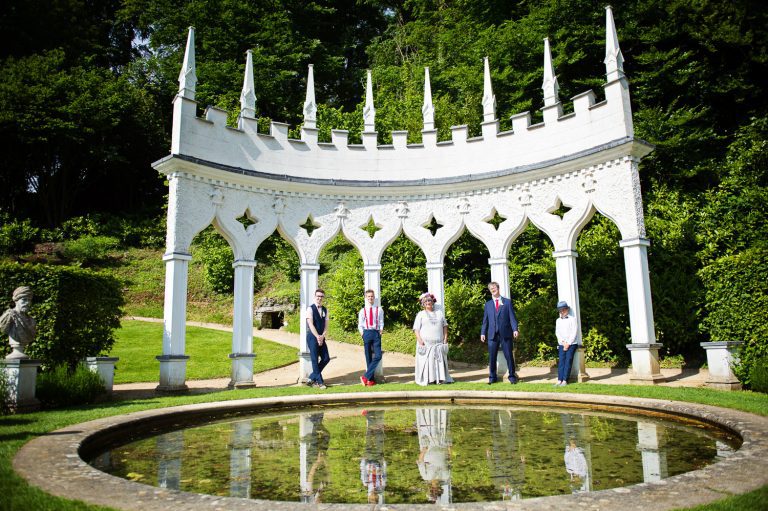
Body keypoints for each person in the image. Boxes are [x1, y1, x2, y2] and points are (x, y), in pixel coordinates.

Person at [480, 282, 519, 384]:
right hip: (492, 334)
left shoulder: (507, 302)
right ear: (490, 291)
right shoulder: (487, 304)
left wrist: (515, 329)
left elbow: (512, 317)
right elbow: (485, 320)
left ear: (498, 288)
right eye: (491, 288)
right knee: (492, 357)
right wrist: (483, 333)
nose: (493, 289)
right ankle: (492, 378)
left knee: (509, 356)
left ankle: (512, 376)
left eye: (494, 288)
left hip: (505, 333)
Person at [413, 292, 453, 386]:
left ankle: (440, 379)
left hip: (438, 343)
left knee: (438, 362)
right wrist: (420, 340)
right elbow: (416, 329)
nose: (428, 302)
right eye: (426, 301)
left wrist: (445, 338)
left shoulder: (439, 313)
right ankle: (429, 380)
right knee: (428, 363)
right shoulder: (420, 314)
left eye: (430, 301)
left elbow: (445, 326)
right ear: (423, 303)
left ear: (433, 302)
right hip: (426, 344)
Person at [0, 286, 36, 360]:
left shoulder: (31, 320)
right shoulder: (9, 316)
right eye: (24, 300)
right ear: (16, 300)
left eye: (29, 300)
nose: (27, 303)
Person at [359, 409, 387, 504]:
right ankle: (379, 414)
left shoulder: (366, 482)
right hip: (378, 458)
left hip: (369, 458)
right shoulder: (382, 485)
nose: (374, 496)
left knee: (369, 436)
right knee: (379, 436)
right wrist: (383, 461)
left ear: (369, 497)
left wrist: (363, 460)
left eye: (372, 498)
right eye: (375, 498)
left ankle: (368, 415)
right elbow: (384, 473)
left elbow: (363, 470)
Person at [358, 289, 384, 387]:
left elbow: (381, 321)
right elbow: (360, 324)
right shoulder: (362, 310)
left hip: (376, 333)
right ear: (366, 297)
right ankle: (370, 380)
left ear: (374, 297)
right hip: (367, 333)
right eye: (368, 296)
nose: (370, 298)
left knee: (378, 355)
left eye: (372, 296)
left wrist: (380, 330)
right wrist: (362, 334)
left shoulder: (379, 309)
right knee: (368, 357)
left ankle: (365, 377)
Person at [306, 289, 330, 389]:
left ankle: (311, 378)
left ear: (323, 297)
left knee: (326, 358)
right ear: (315, 296)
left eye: (321, 296)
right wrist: (317, 336)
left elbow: (326, 325)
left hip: (321, 336)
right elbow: (310, 324)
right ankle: (320, 382)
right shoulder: (310, 309)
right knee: (315, 360)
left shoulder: (325, 309)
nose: (319, 298)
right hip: (312, 337)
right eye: (318, 296)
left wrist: (322, 336)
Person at [555, 300, 579, 386]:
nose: (562, 311)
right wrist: (563, 342)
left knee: (568, 361)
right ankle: (559, 380)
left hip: (571, 344)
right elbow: (557, 333)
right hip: (562, 343)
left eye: (563, 309)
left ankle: (565, 380)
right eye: (560, 310)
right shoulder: (558, 320)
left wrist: (568, 343)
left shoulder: (573, 319)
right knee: (561, 361)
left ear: (567, 310)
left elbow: (574, 332)